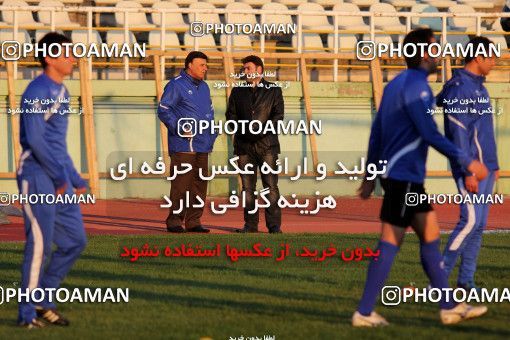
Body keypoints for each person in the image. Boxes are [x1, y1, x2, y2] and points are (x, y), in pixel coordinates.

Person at [352, 28, 489, 327]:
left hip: (401, 176)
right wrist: (467, 162)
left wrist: (369, 174)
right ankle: (363, 313)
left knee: (430, 235)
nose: (439, 53)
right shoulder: (418, 87)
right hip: (403, 177)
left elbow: (377, 132)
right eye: (435, 48)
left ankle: (449, 306)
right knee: (390, 241)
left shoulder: (396, 84)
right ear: (424, 54)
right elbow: (429, 133)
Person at [17, 32, 88, 328]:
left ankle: (44, 300)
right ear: (49, 58)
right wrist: (60, 177)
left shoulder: (63, 92)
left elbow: (56, 142)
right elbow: (33, 138)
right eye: (66, 53)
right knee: (40, 245)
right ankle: (26, 315)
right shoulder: (37, 91)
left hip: (58, 178)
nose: (72, 58)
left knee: (75, 241)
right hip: (36, 175)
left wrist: (74, 177)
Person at [437, 36, 499, 292]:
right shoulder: (461, 86)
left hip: (487, 168)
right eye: (492, 57)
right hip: (472, 169)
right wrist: (468, 169)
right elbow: (458, 132)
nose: (495, 62)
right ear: (478, 58)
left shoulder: (476, 86)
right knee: (470, 222)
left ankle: (466, 281)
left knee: (479, 225)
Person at [158, 51, 217, 233]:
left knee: (199, 185)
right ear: (189, 65)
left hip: (203, 144)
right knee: (181, 185)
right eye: (202, 65)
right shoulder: (176, 85)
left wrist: (212, 132)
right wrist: (180, 127)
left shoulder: (205, 87)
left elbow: (210, 112)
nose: (205, 68)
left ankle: (193, 221)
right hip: (184, 145)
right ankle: (175, 221)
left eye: (206, 65)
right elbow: (164, 110)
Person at [225, 55, 284, 234]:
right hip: (244, 146)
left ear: (259, 69)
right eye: (243, 68)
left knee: (271, 187)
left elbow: (278, 116)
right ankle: (250, 226)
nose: (245, 71)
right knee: (248, 188)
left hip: (267, 146)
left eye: (248, 68)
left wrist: (259, 132)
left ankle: (274, 226)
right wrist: (245, 131)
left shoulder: (274, 90)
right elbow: (230, 116)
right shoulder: (237, 91)